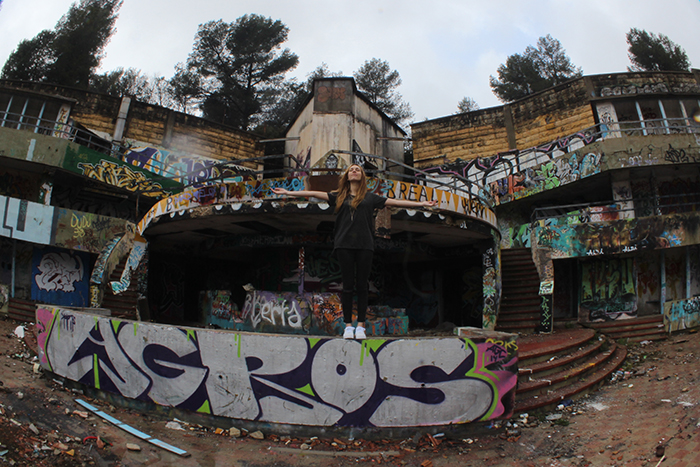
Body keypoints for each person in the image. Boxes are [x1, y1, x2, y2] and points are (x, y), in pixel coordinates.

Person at [272, 164, 437, 339]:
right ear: (347, 176)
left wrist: (422, 203)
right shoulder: (338, 196)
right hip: (344, 245)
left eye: (358, 169)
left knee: (362, 286)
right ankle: (348, 326)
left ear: (362, 176)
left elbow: (395, 202)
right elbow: (313, 193)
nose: (354, 171)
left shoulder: (370, 197)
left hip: (365, 245)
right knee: (347, 287)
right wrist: (288, 192)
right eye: (351, 169)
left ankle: (361, 326)